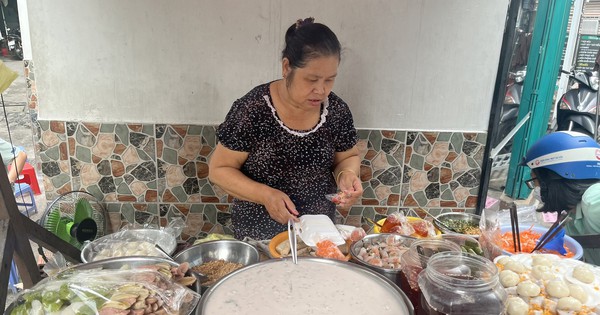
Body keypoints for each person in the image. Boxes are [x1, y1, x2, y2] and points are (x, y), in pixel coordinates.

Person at [208, 17, 363, 240]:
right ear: (286, 67)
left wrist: (347, 175)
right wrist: (265, 195)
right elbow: (219, 170)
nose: (321, 90)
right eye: (311, 79)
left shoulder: (336, 111)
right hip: (260, 236)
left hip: (317, 237)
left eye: (330, 80)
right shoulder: (253, 109)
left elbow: (348, 156)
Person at [521, 131, 600, 265]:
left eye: (535, 180)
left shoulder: (593, 200)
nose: (535, 187)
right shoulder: (571, 214)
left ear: (553, 180)